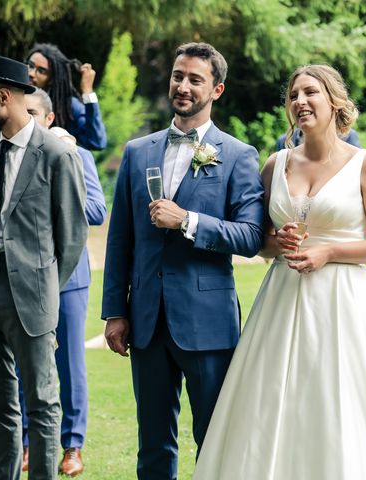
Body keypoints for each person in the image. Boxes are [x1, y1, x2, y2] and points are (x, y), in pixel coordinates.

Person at [193, 65, 366, 479]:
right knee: (271, 402)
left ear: (334, 101)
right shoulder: (274, 165)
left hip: (344, 301)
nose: (300, 101)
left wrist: (330, 251)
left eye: (310, 92)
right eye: (294, 95)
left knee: (344, 397)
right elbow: (258, 240)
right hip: (281, 301)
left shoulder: (365, 166)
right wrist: (275, 243)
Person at [102, 42, 264, 479]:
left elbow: (250, 237)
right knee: (153, 441)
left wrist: (188, 221)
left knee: (214, 437)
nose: (183, 86)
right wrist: (116, 311)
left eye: (195, 79)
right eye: (178, 76)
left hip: (207, 322)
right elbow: (121, 240)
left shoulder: (238, 155)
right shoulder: (137, 152)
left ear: (217, 89)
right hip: (147, 319)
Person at [0, 54, 88, 480]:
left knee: (43, 403)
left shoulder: (56, 154)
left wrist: (44, 287)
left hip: (29, 293)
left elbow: (71, 237)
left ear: (5, 97)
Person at [16, 88, 106, 476]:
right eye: (24, 112)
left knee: (70, 363)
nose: (28, 120)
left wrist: (60, 187)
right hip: (23, 274)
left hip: (69, 275)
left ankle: (72, 444)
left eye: (34, 112)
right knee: (24, 364)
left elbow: (98, 210)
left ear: (50, 118)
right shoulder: (10, 157)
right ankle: (24, 441)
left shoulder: (77, 154)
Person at [26, 43, 107, 151]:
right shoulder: (11, 97)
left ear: (52, 78)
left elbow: (96, 141)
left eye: (41, 71)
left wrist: (88, 92)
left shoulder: (68, 107)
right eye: (30, 66)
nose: (31, 73)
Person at [275, 126, 361, 151]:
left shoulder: (348, 136)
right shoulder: (284, 141)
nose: (300, 101)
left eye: (311, 92)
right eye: (293, 97)